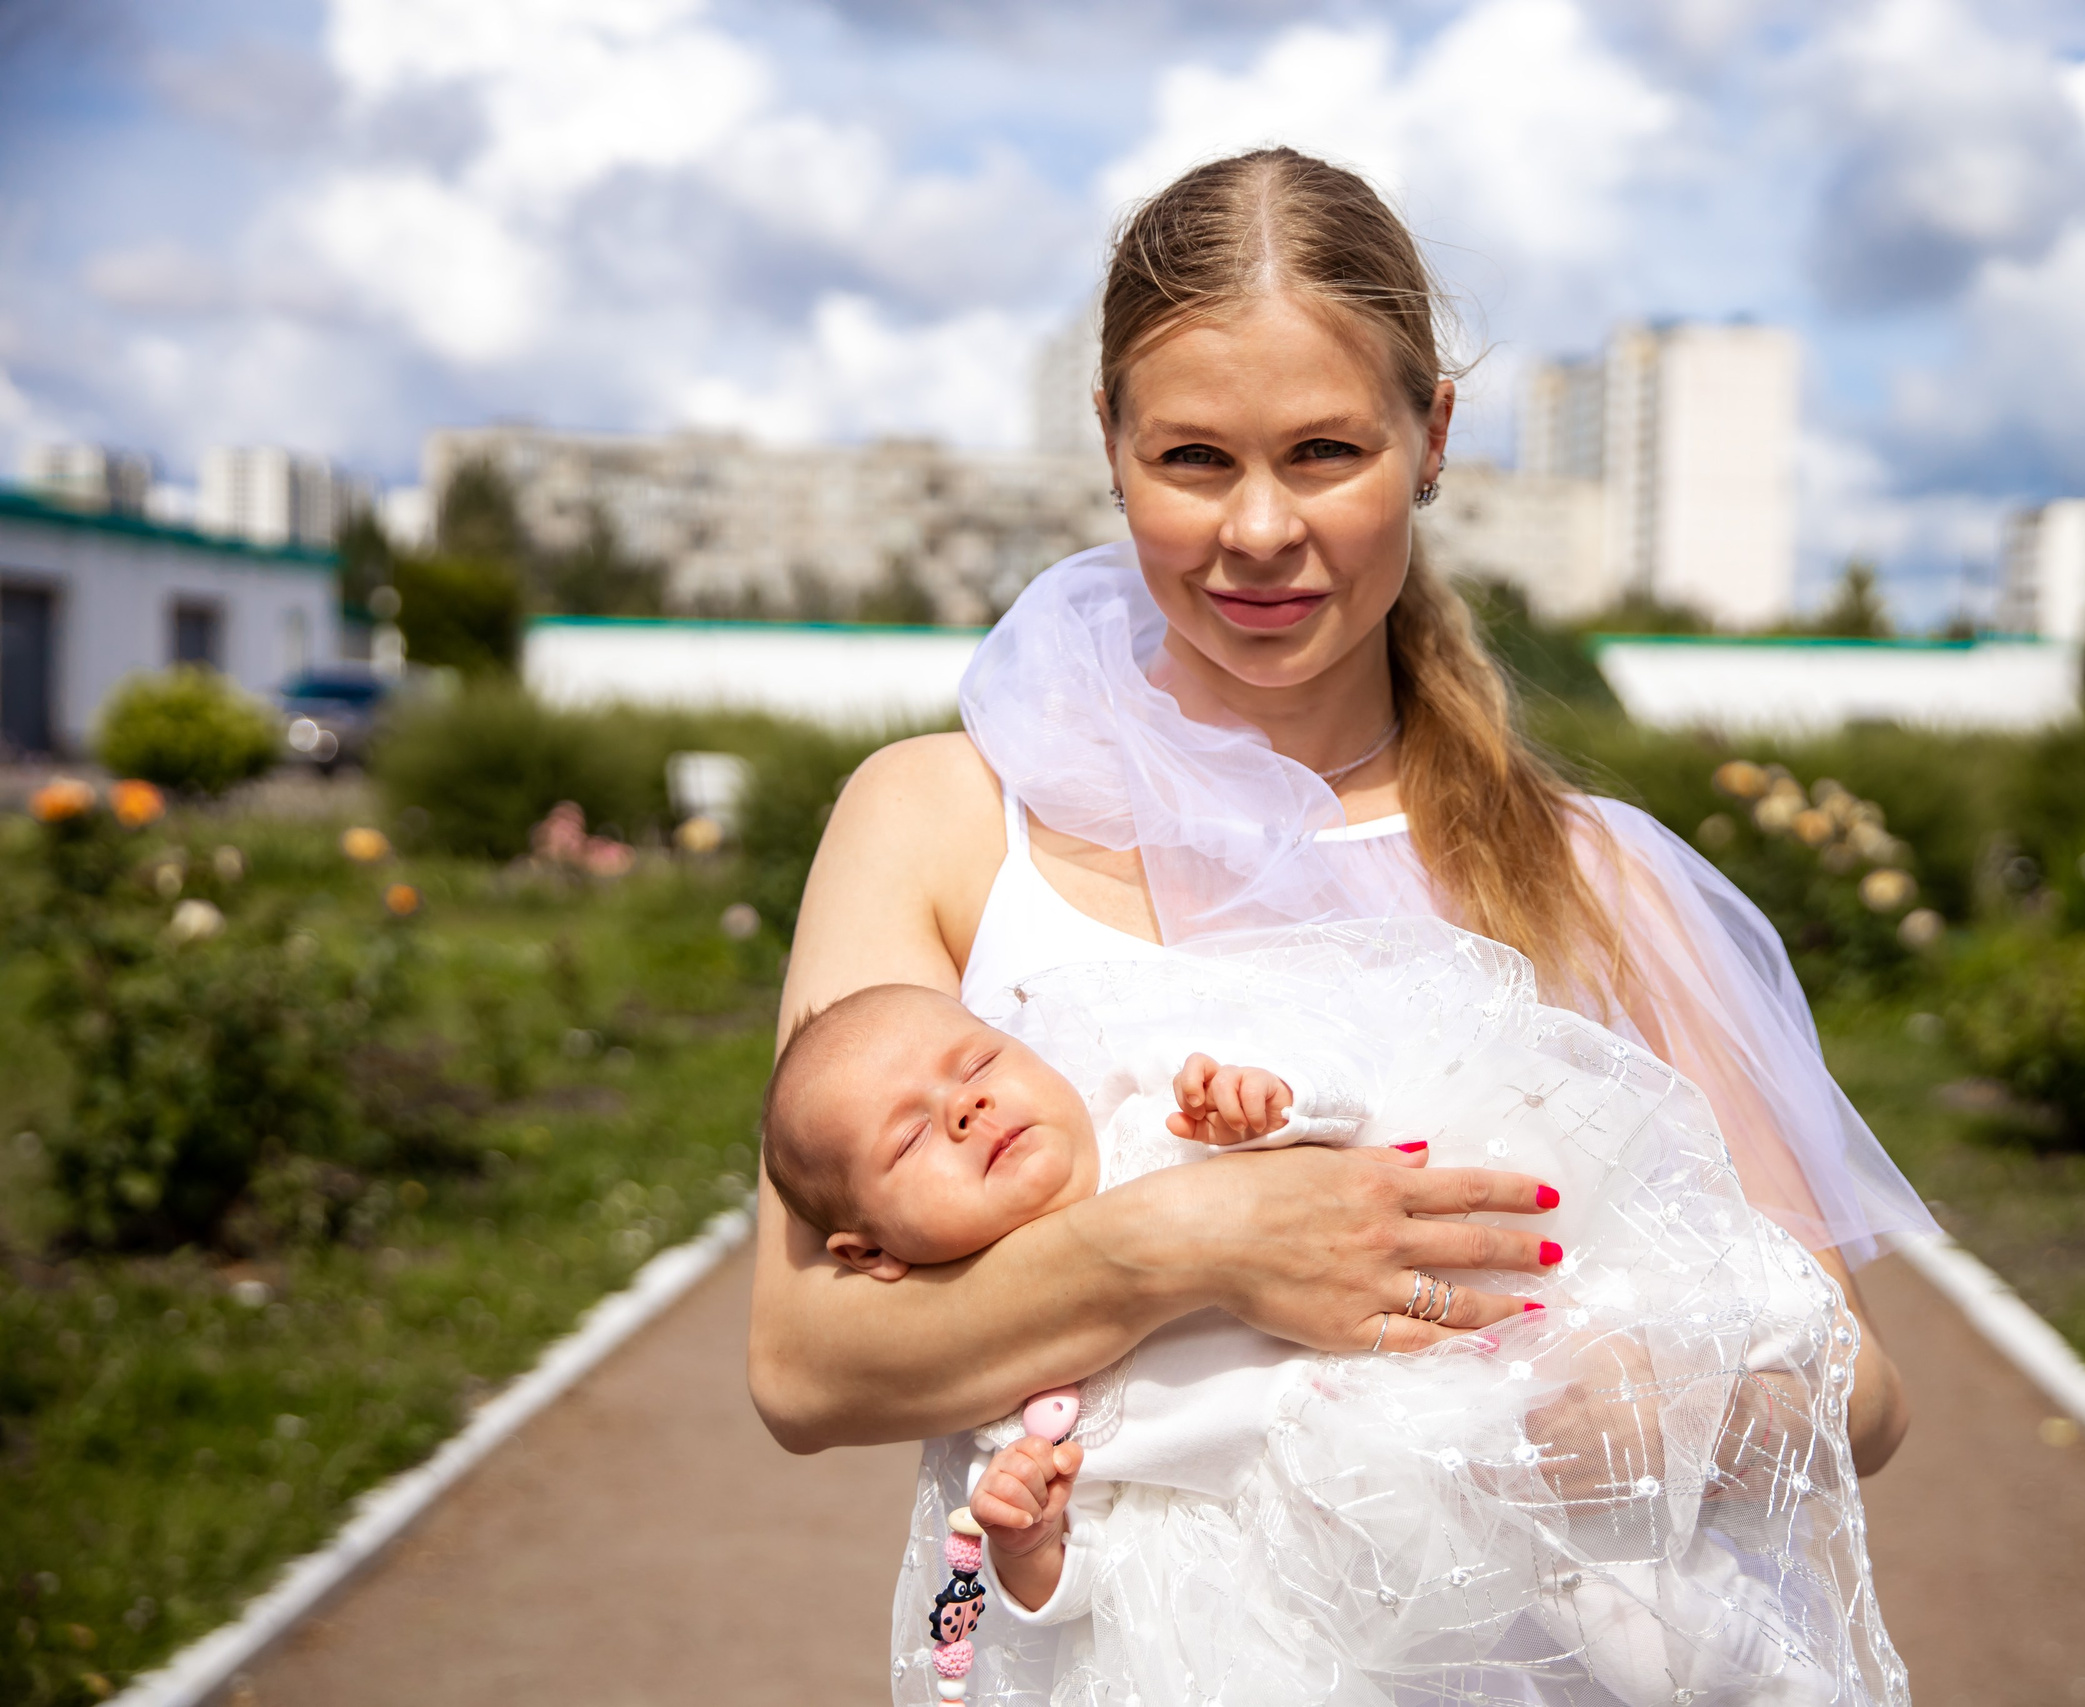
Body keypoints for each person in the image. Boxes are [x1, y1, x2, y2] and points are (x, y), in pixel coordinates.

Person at [751, 144, 1924, 1489]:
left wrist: (1687, 1404)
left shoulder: (1592, 876)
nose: (1258, 528)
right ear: (1110, 442)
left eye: (1323, 451)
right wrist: (1197, 1240)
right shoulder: (937, 817)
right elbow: (804, 1362)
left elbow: (1862, 1387)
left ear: (1430, 436)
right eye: (1194, 456)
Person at [763, 932, 1901, 1705]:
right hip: (1320, 1563)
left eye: (977, 1063)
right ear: (869, 1253)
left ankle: (1758, 1656)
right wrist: (1029, 1547)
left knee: (1640, 1595)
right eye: (909, 1139)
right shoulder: (1008, 1373)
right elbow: (1059, 1593)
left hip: (1465, 1390)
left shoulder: (1158, 1109)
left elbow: (1359, 1117)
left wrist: (1273, 1106)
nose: (963, 1108)